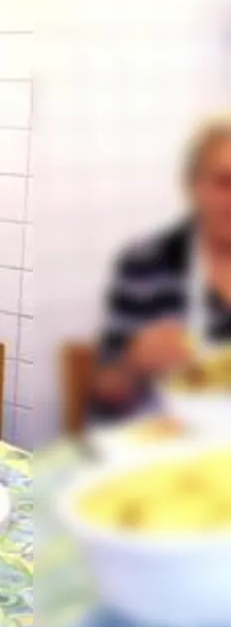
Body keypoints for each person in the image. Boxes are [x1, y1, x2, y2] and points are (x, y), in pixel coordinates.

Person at [92, 110, 231, 420]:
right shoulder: (147, 265)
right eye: (225, 182)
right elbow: (105, 397)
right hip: (171, 449)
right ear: (193, 185)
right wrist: (134, 364)